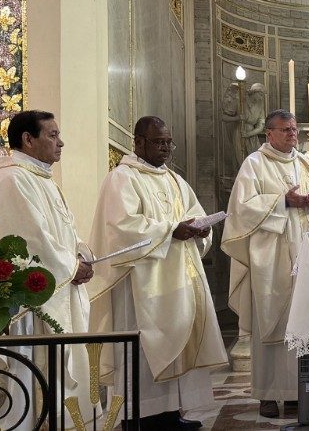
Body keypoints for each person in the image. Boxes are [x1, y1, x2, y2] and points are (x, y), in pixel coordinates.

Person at [88, 116, 228, 430]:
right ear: (138, 142)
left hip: (177, 278)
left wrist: (200, 230)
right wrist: (170, 231)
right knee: (143, 349)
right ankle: (137, 418)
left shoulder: (174, 180)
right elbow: (121, 228)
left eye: (168, 142)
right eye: (158, 142)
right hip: (140, 283)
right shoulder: (122, 178)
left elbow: (194, 215)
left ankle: (170, 414)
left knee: (177, 344)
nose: (165, 148)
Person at [221, 110, 309, 418]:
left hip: (307, 254)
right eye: (285, 130)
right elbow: (241, 209)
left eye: (294, 129)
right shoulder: (254, 164)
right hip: (271, 257)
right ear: (269, 134)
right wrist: (283, 201)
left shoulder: (306, 164)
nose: (292, 134)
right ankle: (268, 394)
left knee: (304, 319)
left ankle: (299, 393)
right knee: (272, 321)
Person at [0, 110, 95, 428]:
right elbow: (31, 240)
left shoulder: (41, 178)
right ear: (28, 139)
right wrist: (72, 266)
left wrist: (82, 255)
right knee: (31, 379)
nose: (60, 143)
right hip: (32, 304)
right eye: (52, 135)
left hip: (58, 289)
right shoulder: (12, 179)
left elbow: (65, 232)